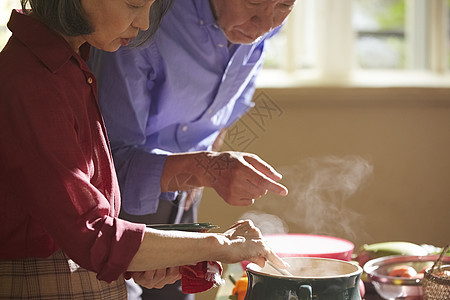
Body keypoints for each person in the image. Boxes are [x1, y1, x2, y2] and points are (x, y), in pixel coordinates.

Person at [0, 0, 289, 298]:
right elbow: (93, 234)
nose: (144, 24)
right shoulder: (32, 83)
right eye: (134, 5)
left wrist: (138, 261)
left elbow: (71, 230)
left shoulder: (71, 65)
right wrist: (222, 245)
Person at [89, 0, 295, 298]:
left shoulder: (264, 21)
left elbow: (231, 97)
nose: (264, 24)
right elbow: (109, 164)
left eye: (284, 5)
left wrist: (206, 161)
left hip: (186, 192)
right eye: (253, 1)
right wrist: (204, 168)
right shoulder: (143, 23)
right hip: (118, 206)